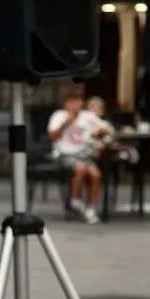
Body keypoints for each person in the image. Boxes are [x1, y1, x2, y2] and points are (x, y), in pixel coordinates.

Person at [47, 89, 105, 223]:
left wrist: (99, 132)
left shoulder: (88, 116)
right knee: (80, 168)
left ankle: (92, 207)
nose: (75, 105)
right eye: (72, 102)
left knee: (95, 174)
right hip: (65, 154)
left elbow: (104, 127)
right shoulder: (59, 116)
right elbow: (52, 136)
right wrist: (66, 123)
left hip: (84, 154)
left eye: (78, 102)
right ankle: (75, 200)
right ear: (65, 104)